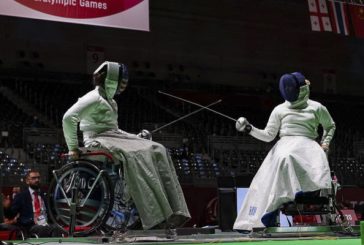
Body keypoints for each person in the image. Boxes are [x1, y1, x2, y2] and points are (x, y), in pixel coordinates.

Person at [62, 61, 191, 232]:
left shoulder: (111, 102)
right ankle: (154, 216)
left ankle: (174, 211)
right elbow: (68, 118)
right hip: (96, 140)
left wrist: (134, 137)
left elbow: (114, 130)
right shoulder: (93, 98)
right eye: (120, 83)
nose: (121, 87)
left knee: (157, 148)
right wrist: (73, 148)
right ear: (110, 80)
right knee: (133, 155)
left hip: (112, 137)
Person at [233, 72, 336, 231]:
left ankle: (301, 191)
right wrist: (249, 129)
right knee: (284, 157)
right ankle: (270, 210)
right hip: (284, 146)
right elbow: (268, 136)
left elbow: (330, 126)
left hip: (308, 146)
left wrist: (325, 144)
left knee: (290, 156)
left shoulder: (317, 107)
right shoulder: (279, 110)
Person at [6, 170, 64, 237]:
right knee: (46, 229)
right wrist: (7, 207)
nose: (37, 180)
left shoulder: (45, 196)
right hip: (30, 226)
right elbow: (11, 216)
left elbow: (51, 213)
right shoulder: (21, 196)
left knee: (57, 228)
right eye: (34, 178)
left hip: (46, 225)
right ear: (27, 181)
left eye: (38, 178)